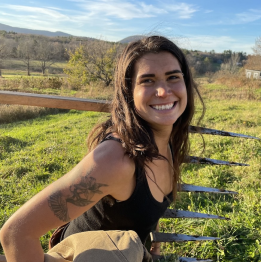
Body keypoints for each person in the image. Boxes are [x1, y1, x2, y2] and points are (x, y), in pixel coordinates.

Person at [0, 36, 204, 262]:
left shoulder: (169, 139)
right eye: (147, 80)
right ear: (129, 92)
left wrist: (152, 240)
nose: (164, 91)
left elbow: (147, 205)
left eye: (173, 77)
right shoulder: (116, 160)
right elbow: (16, 233)